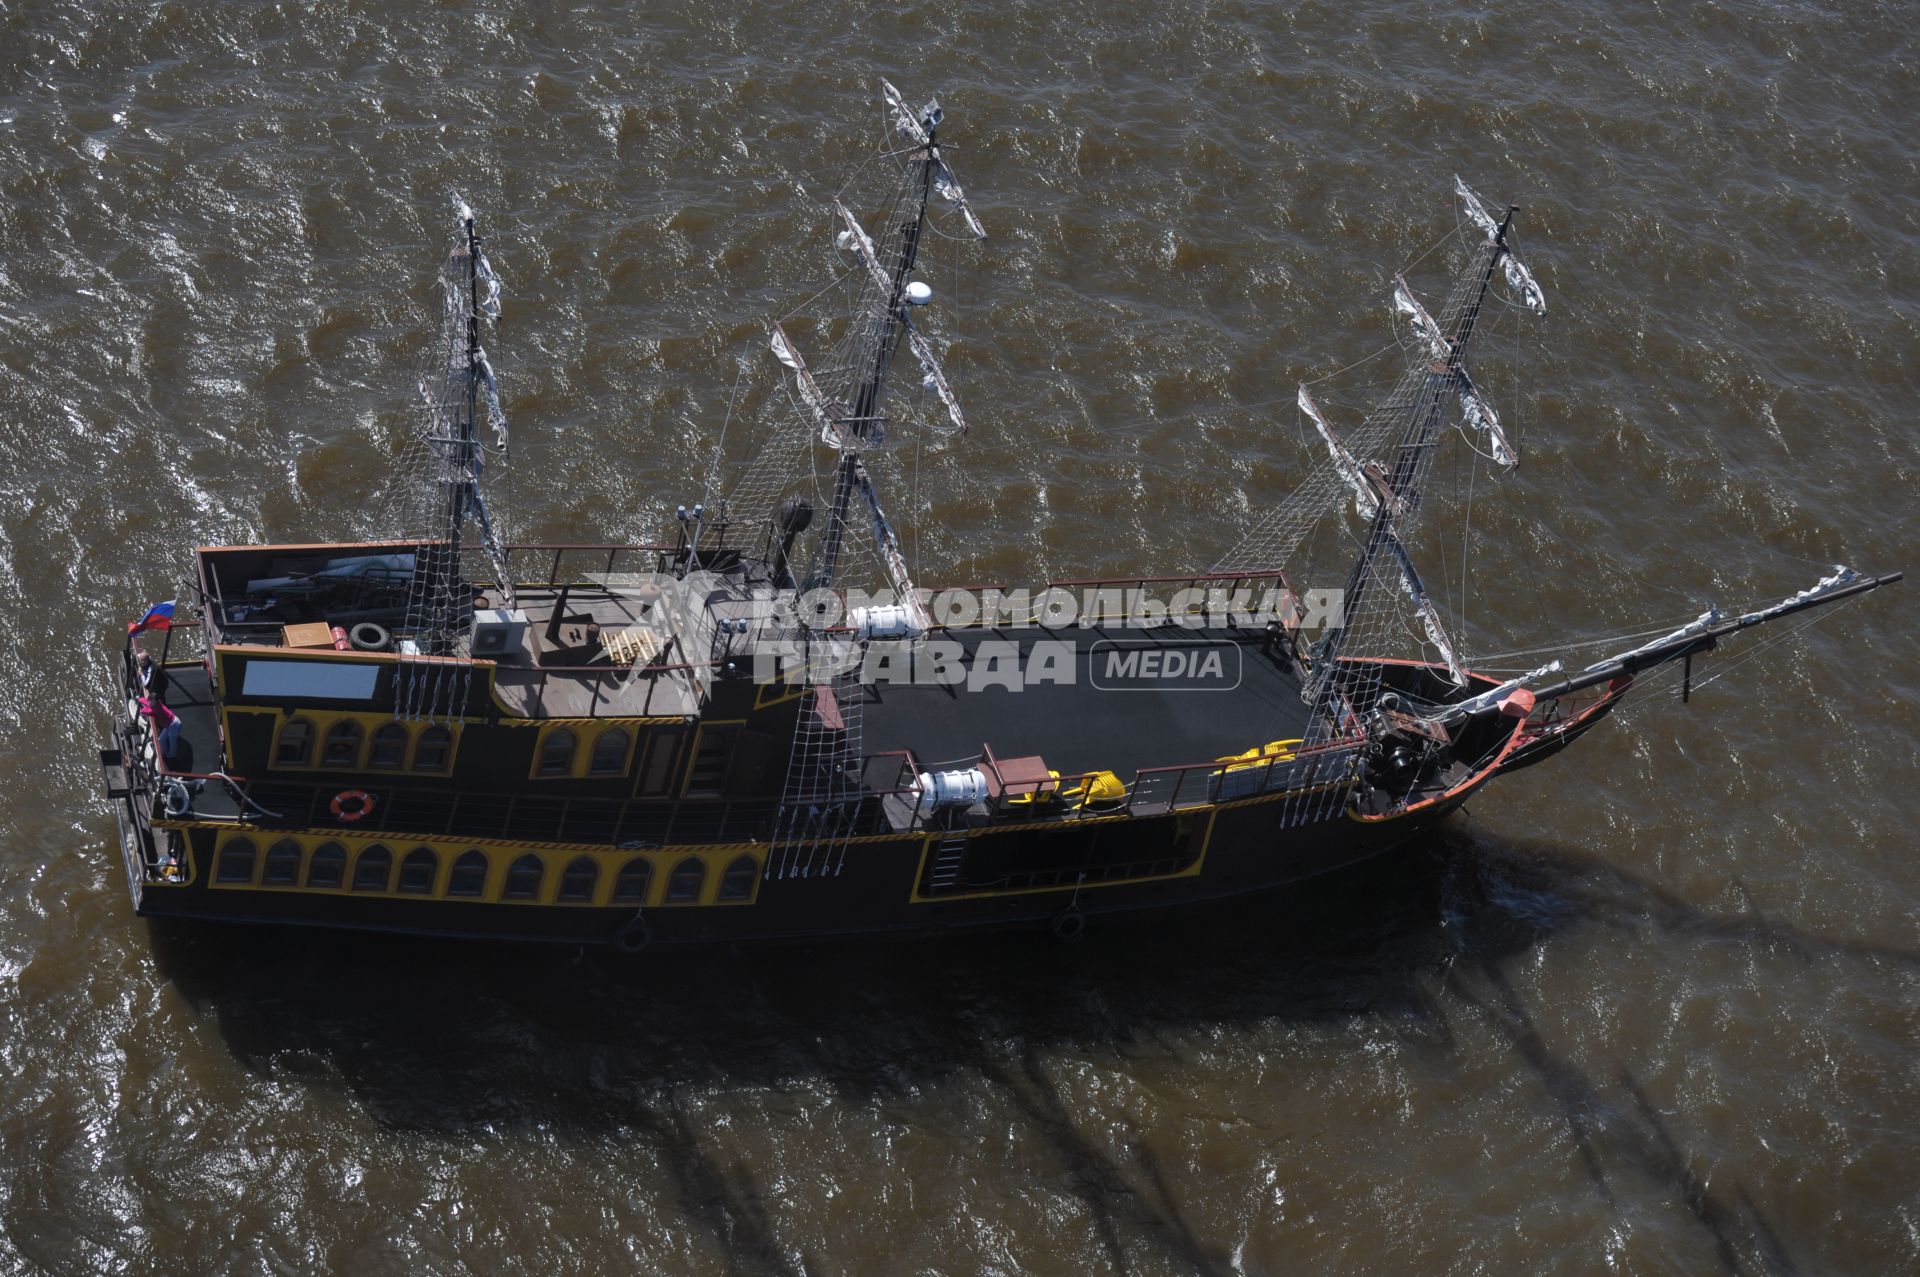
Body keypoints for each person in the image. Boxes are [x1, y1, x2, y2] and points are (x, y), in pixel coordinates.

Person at [138, 694, 182, 762]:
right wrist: (139, 699)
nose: (150, 702)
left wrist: (141, 703)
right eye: (150, 701)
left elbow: (144, 711)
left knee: (172, 742)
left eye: (151, 701)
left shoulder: (157, 709)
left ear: (156, 701)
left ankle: (171, 757)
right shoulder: (157, 704)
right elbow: (147, 703)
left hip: (174, 725)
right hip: (169, 724)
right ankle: (164, 753)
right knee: (160, 740)